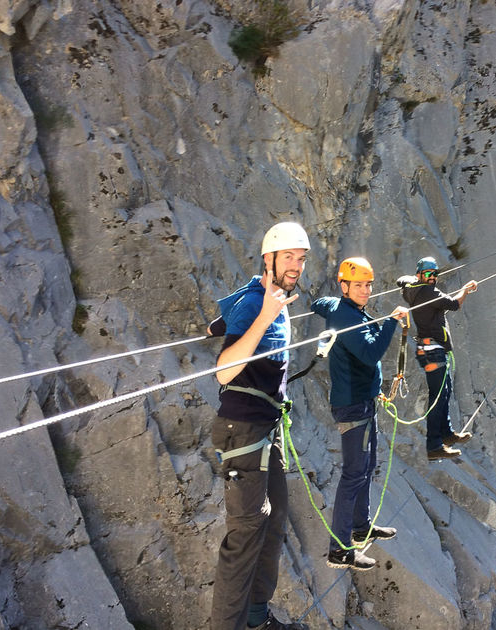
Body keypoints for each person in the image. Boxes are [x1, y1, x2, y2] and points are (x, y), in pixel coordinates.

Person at [209, 222, 310, 630]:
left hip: (267, 430)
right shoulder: (259, 303)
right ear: (268, 259)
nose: (296, 265)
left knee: (273, 522)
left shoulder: (272, 298)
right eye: (288, 257)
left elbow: (221, 323)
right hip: (243, 430)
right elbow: (223, 372)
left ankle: (255, 618)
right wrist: (264, 313)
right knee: (247, 534)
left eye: (300, 259)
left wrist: (232, 320)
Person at [311, 257, 409, 570]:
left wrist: (322, 304)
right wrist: (393, 321)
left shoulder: (345, 308)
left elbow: (321, 303)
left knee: (366, 468)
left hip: (363, 402)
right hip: (353, 406)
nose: (366, 290)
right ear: (345, 286)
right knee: (354, 473)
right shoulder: (346, 315)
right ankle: (339, 550)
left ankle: (360, 527)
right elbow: (370, 354)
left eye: (368, 284)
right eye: (359, 285)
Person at [397, 257, 477, 461]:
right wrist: (466, 290)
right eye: (428, 274)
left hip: (429, 348)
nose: (432, 277)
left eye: (434, 274)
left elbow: (402, 280)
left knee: (444, 391)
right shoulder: (429, 292)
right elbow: (454, 304)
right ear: (420, 275)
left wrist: (412, 279)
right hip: (433, 349)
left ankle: (446, 434)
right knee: (438, 396)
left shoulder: (412, 289)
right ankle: (434, 445)